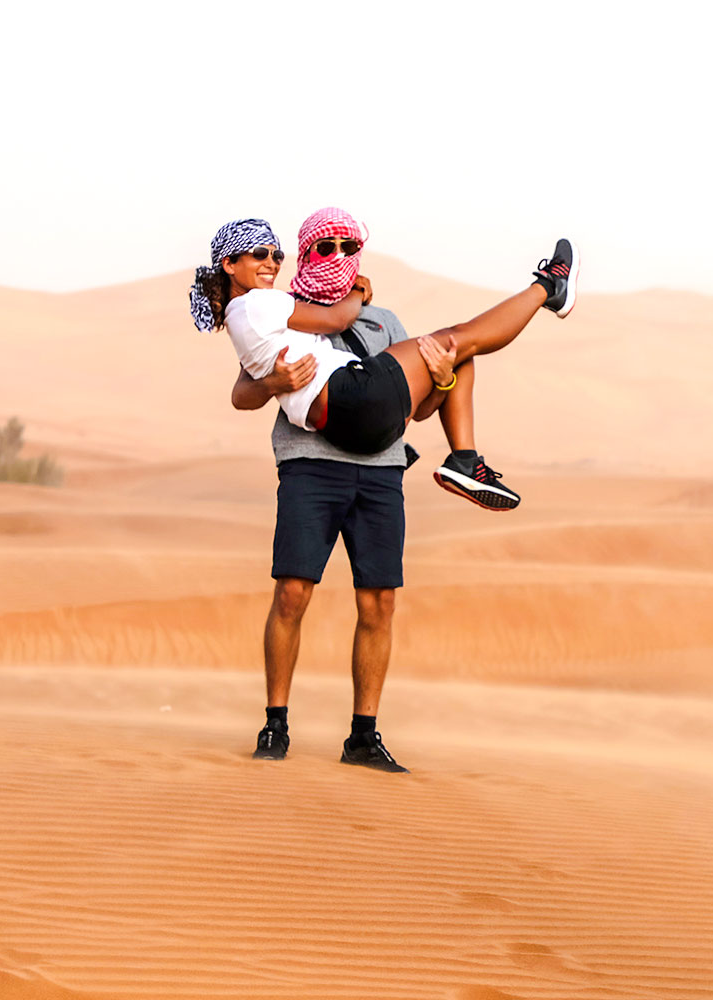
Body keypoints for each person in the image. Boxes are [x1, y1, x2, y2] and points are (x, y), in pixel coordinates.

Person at [195, 216, 577, 768]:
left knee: (379, 601)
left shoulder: (376, 320)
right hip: (313, 463)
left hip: (379, 463)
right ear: (307, 253)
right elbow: (243, 391)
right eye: (322, 246)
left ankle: (363, 736)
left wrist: (442, 379)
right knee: (292, 594)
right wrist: (278, 379)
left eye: (348, 246)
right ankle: (274, 726)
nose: (336, 253)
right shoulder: (274, 305)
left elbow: (416, 407)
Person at [192, 211, 579, 511]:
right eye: (260, 254)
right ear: (229, 265)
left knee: (457, 355)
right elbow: (336, 319)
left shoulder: (244, 317)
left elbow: (245, 387)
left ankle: (465, 460)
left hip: (351, 426)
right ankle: (549, 286)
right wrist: (358, 292)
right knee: (462, 338)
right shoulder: (261, 303)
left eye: (277, 255)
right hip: (350, 398)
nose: (273, 264)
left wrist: (442, 381)